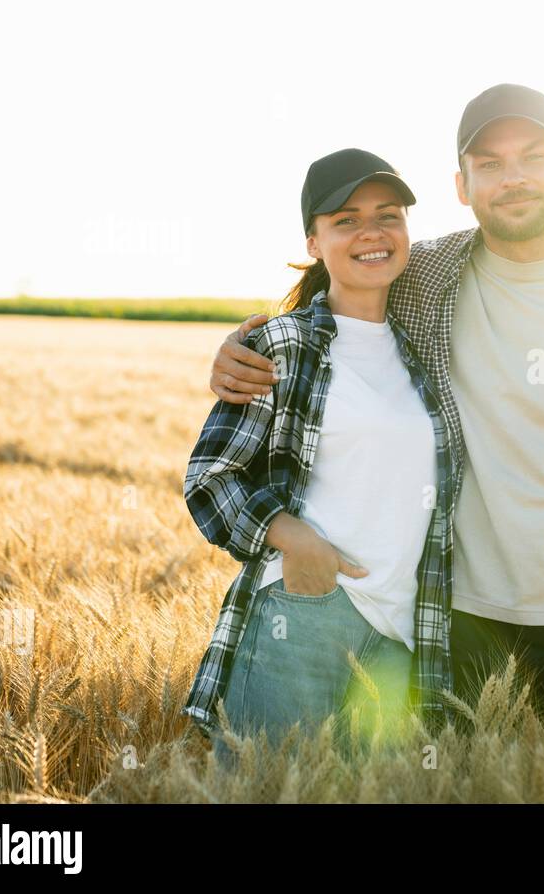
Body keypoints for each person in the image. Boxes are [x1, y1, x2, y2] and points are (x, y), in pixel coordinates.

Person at [203, 84, 544, 728]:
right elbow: (340, 291)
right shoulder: (425, 275)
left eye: (533, 157)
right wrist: (242, 349)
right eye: (490, 164)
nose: (513, 179)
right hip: (456, 625)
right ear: (462, 184)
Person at [180, 148, 455, 763]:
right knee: (261, 789)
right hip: (305, 611)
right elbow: (210, 479)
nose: (372, 233)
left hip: (403, 632)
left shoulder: (421, 355)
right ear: (313, 240)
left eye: (388, 215)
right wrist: (297, 542)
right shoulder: (282, 344)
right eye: (346, 219)